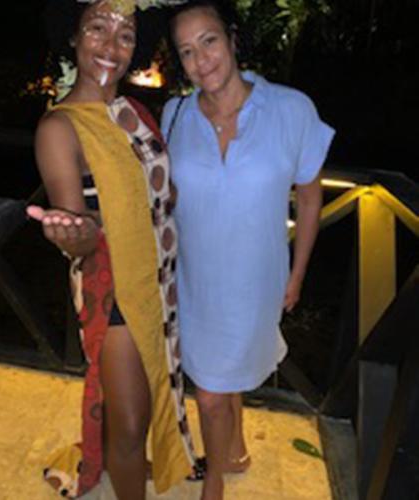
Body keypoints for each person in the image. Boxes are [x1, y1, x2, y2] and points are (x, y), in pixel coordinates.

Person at [161, 1, 335, 499]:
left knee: (213, 390)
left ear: (233, 39)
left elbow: (309, 196)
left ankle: (214, 480)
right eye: (187, 51)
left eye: (209, 41)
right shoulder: (175, 114)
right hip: (194, 280)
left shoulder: (291, 109)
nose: (201, 60)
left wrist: (297, 273)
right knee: (214, 382)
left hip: (256, 281)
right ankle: (230, 454)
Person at [26, 1, 201, 498]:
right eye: (97, 29)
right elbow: (80, 231)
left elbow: (161, 195)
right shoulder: (59, 128)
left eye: (125, 36)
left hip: (158, 281)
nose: (111, 46)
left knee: (150, 396)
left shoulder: (134, 112)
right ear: (73, 35)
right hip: (115, 292)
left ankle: (133, 464)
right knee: (128, 425)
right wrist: (71, 234)